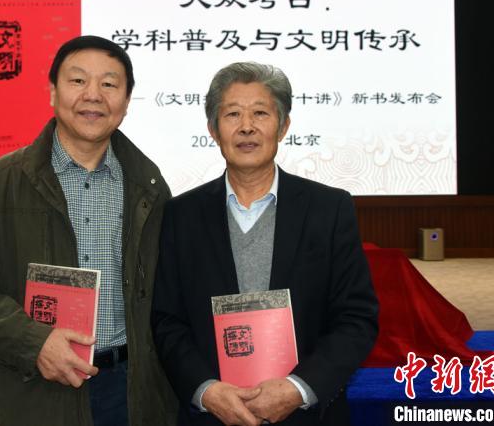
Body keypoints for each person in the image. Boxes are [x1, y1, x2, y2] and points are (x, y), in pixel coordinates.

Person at [0, 35, 177, 426]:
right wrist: (35, 343)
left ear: (126, 101)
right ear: (53, 91)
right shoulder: (0, 182)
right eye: (78, 80)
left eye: (109, 84)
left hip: (130, 389)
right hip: (36, 385)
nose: (93, 95)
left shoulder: (148, 187)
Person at [151, 62, 379, 426]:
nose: (246, 126)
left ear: (283, 126)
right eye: (232, 114)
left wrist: (298, 388)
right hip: (213, 415)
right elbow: (167, 320)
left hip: (305, 415)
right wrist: (206, 390)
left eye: (260, 113)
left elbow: (356, 318)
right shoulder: (181, 215)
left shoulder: (329, 208)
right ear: (213, 129)